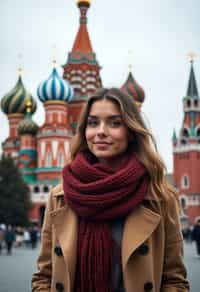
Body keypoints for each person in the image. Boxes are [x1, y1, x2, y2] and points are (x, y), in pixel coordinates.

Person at [32, 88, 189, 292]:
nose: (101, 132)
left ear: (132, 132)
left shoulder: (159, 197)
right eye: (93, 122)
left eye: (115, 123)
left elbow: (175, 280)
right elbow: (45, 276)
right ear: (84, 130)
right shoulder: (61, 196)